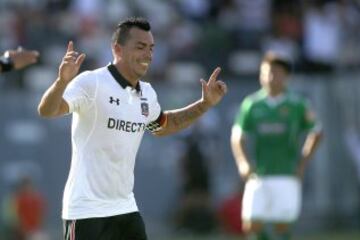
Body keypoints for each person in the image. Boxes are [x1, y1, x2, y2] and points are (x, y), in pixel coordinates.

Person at [37, 17, 227, 240]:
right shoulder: (92, 82)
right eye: (140, 47)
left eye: (151, 48)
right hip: (86, 210)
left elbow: (164, 125)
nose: (148, 54)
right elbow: (48, 110)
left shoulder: (147, 92)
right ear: (117, 49)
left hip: (125, 208)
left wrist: (204, 104)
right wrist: (61, 81)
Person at [230, 52, 322, 240]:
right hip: (259, 174)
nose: (270, 77)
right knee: (251, 224)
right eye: (266, 73)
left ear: (286, 76)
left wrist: (303, 163)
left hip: (287, 173)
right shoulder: (252, 104)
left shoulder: (298, 104)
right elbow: (237, 136)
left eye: (276, 73)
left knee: (282, 226)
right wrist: (243, 163)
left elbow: (317, 132)